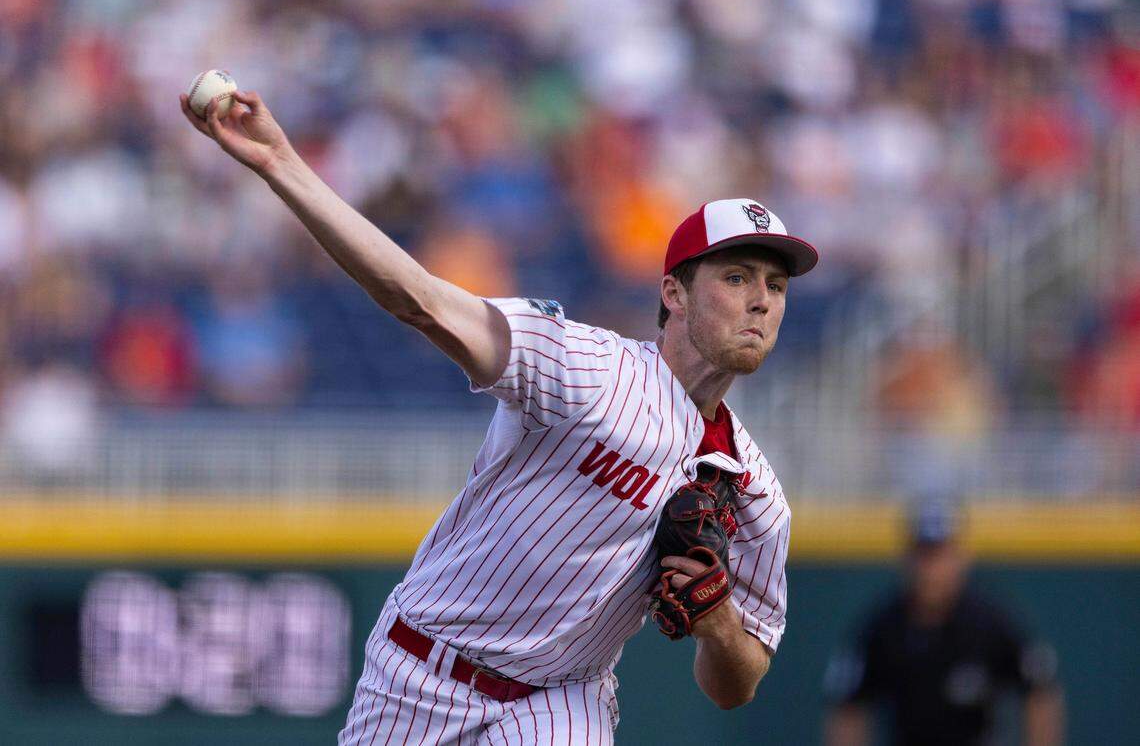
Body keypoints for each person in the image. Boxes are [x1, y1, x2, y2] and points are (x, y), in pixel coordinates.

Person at [180, 90, 818, 744]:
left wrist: (719, 630)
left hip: (565, 699)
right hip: (422, 670)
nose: (761, 302)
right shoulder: (588, 370)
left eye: (775, 286)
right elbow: (421, 301)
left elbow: (738, 684)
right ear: (673, 293)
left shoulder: (758, 498)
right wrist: (281, 162)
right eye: (737, 278)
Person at [822, 499, 1065, 746]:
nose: (932, 569)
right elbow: (847, 706)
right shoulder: (884, 629)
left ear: (961, 557)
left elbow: (1040, 690)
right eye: (924, 556)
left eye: (940, 555)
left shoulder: (990, 622)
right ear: (907, 558)